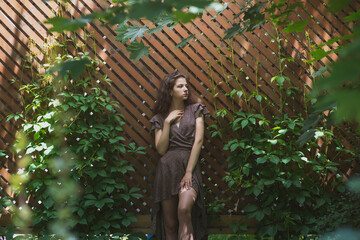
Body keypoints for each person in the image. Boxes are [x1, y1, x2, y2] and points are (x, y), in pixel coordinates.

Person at [150, 70, 208, 240]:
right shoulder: (159, 118)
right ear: (170, 91)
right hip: (167, 170)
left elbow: (198, 141)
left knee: (184, 209)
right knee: (170, 225)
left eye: (186, 86)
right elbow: (161, 150)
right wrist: (168, 122)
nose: (185, 89)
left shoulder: (196, 110)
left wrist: (189, 171)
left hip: (188, 167)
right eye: (180, 86)